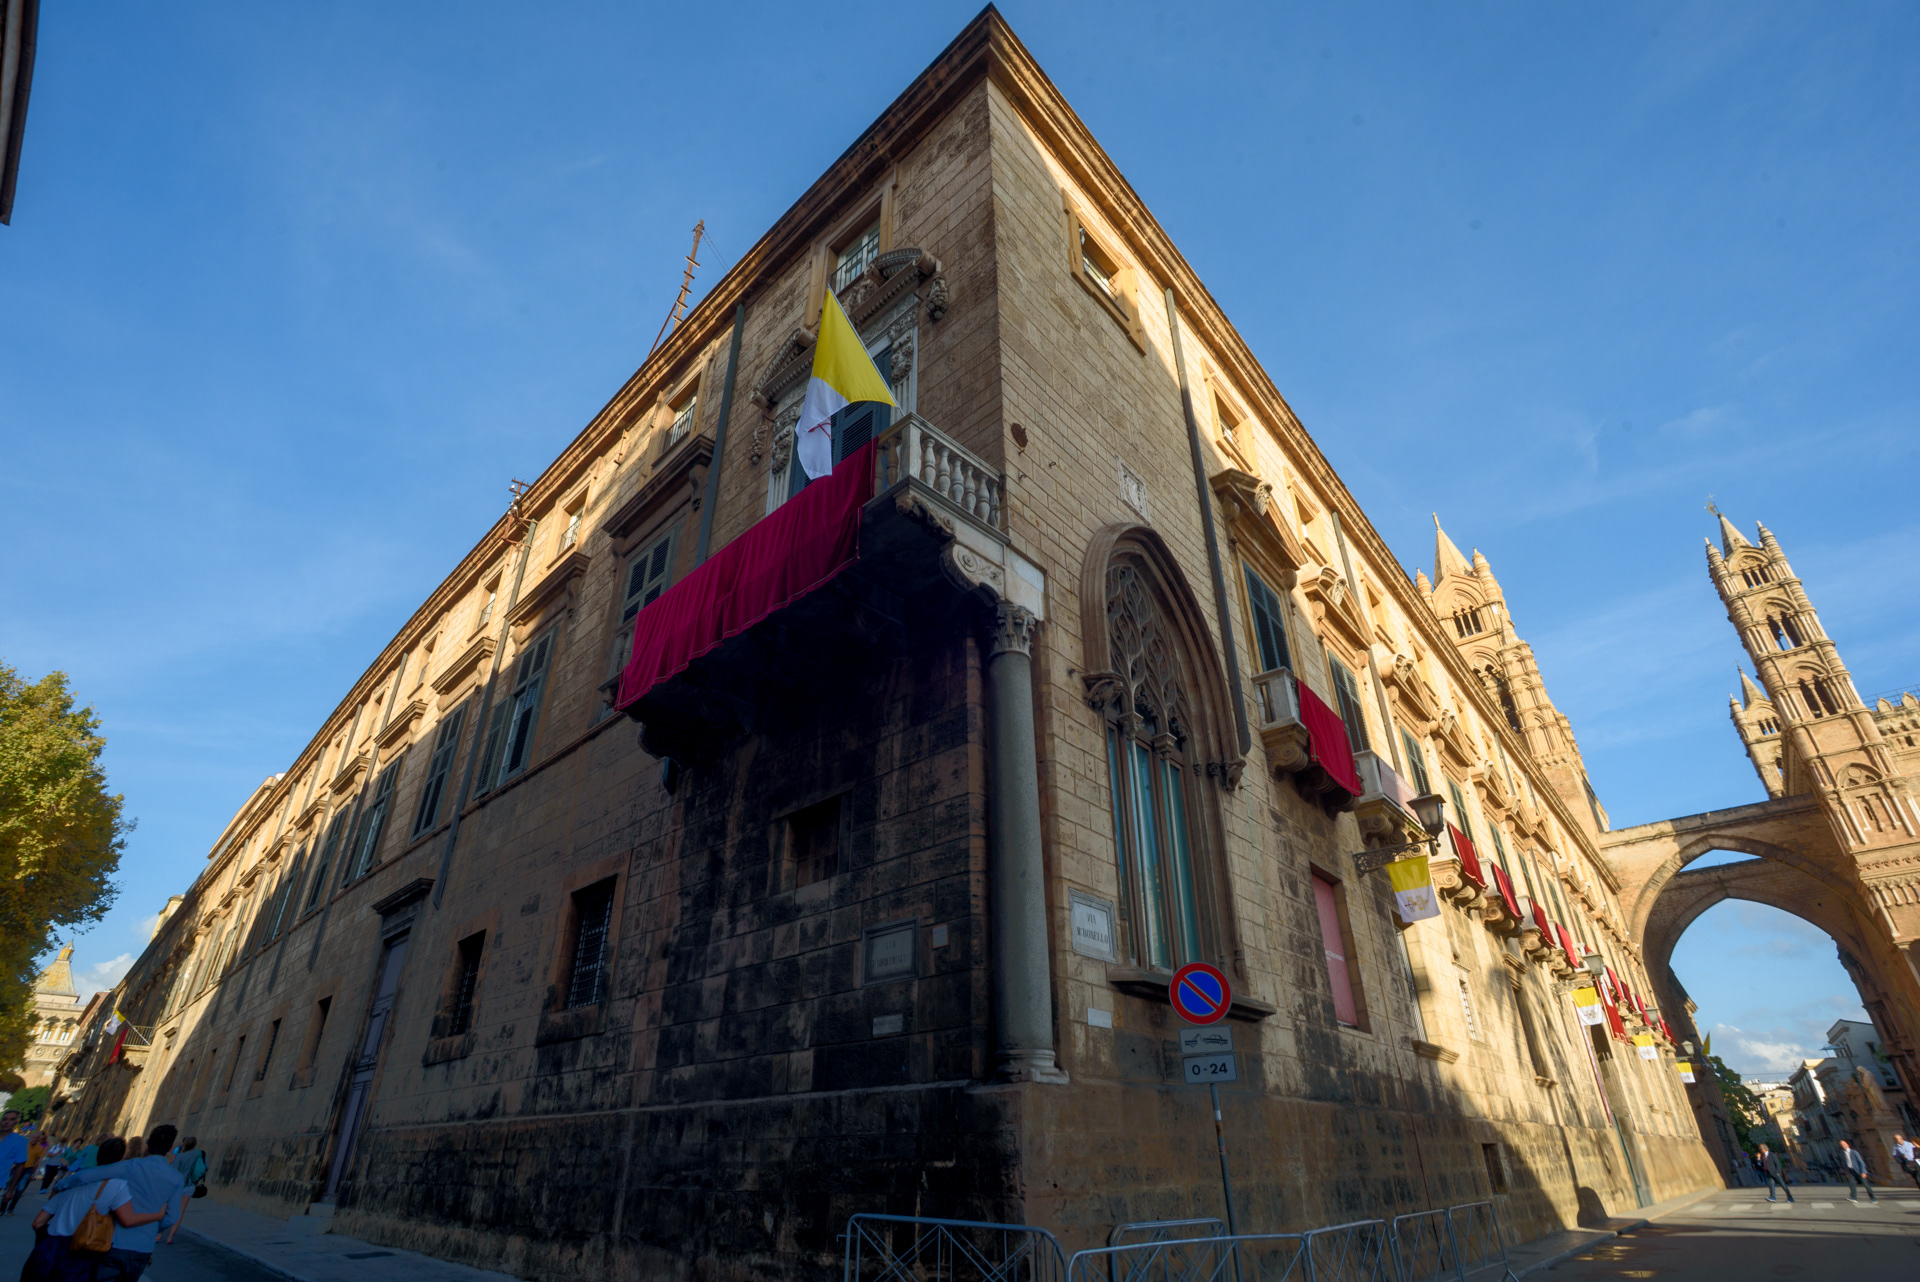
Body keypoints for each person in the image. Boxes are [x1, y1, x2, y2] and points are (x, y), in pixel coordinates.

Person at [47, 1124, 185, 1281]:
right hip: (142, 1246)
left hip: (113, 1241)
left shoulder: (129, 1166)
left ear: (148, 1145)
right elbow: (172, 1216)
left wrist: (59, 1186)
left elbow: (85, 1176)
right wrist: (153, 1228)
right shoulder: (176, 1178)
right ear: (170, 1148)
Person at [25, 1136, 165, 1282]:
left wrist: (46, 1244)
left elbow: (38, 1223)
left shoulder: (71, 1181)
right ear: (122, 1157)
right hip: (80, 1253)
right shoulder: (116, 1185)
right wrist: (158, 1215)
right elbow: (128, 1219)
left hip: (48, 1249)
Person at [162, 1137, 207, 1246]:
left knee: (166, 1208)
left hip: (178, 1185)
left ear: (184, 1144)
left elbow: (173, 1170)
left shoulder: (181, 1156)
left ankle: (158, 1234)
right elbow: (205, 1167)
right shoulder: (199, 1154)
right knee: (181, 1210)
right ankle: (170, 1236)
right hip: (190, 1185)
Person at [0, 1111, 30, 1216]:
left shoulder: (20, 1141)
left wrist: (11, 1190)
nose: (7, 1122)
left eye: (11, 1119)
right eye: (5, 1119)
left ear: (16, 1122)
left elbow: (20, 1166)